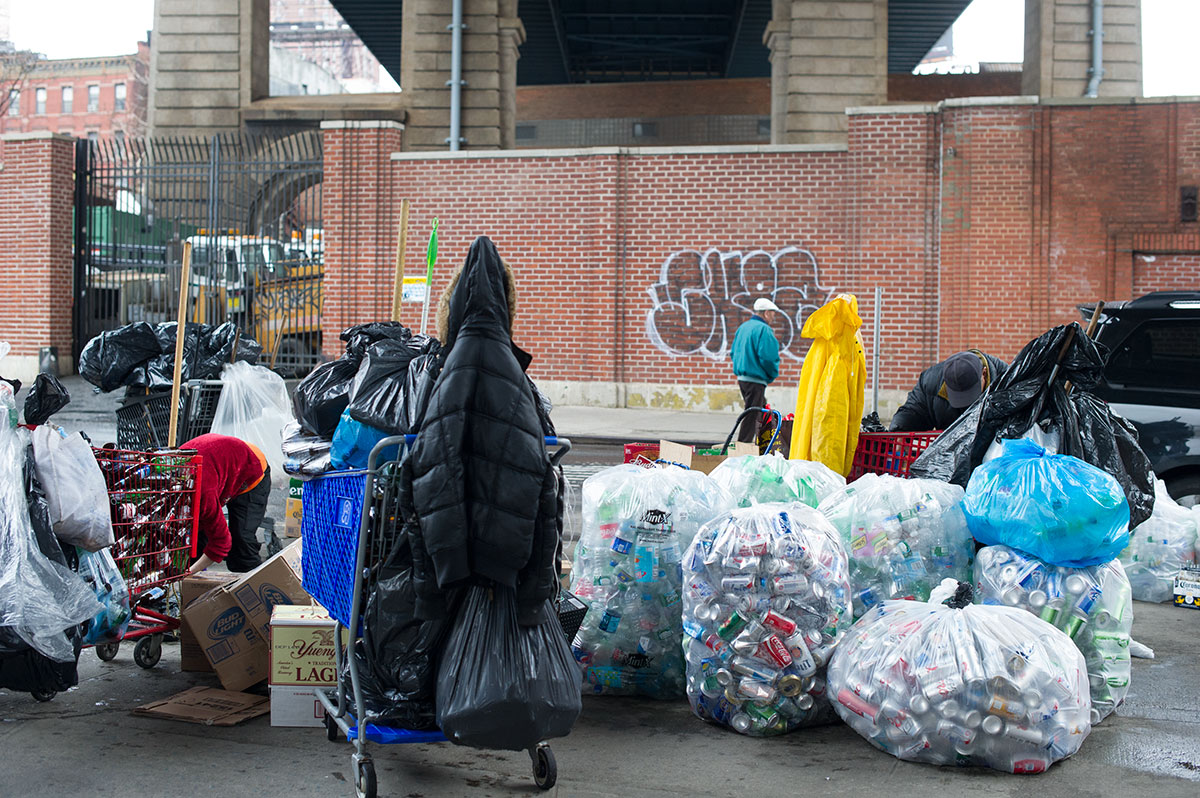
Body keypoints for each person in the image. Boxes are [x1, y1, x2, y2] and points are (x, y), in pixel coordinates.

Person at [182, 433, 270, 575]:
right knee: (195, 540)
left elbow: (221, 542)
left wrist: (187, 573)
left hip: (249, 467)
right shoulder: (166, 494)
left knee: (241, 543)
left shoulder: (203, 493)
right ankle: (195, 587)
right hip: (220, 462)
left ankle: (253, 590)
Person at [890, 350, 1007, 432]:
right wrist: (901, 428)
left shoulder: (1007, 382)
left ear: (984, 373)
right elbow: (915, 409)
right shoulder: (931, 382)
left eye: (969, 393)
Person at [731, 298, 782, 444]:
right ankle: (743, 444)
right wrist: (771, 375)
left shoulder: (744, 327)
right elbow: (768, 357)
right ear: (766, 313)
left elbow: (734, 352)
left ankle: (765, 443)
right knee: (753, 414)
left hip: (743, 378)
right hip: (756, 379)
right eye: (773, 313)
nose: (773, 317)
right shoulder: (764, 330)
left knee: (761, 411)